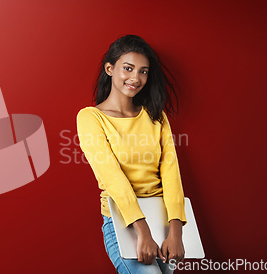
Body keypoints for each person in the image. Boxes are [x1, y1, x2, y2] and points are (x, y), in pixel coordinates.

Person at [76, 35, 187, 274]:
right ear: (110, 68)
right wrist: (142, 231)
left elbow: (171, 172)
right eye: (128, 68)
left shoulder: (156, 115)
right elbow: (111, 177)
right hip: (124, 222)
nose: (136, 78)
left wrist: (176, 231)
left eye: (143, 71)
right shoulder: (91, 118)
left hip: (163, 221)